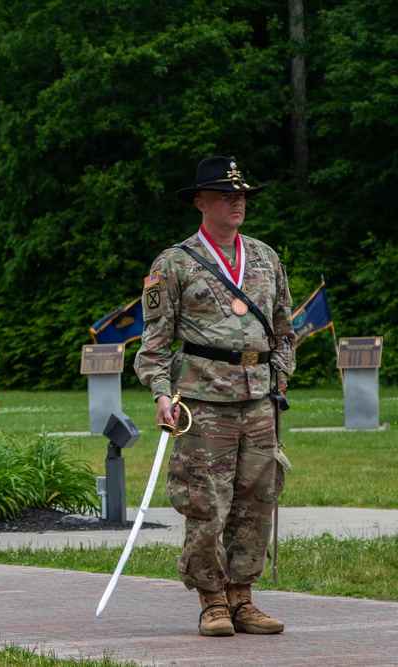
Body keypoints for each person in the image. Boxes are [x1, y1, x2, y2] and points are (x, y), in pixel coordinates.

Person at [134, 156, 295, 637]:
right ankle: (212, 601)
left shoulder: (266, 258)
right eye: (227, 196)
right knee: (205, 504)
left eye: (242, 195)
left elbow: (285, 329)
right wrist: (162, 394)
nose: (237, 203)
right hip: (201, 403)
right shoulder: (174, 263)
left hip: (259, 400)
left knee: (256, 500)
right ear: (201, 203)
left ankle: (243, 599)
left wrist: (280, 377)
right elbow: (155, 343)